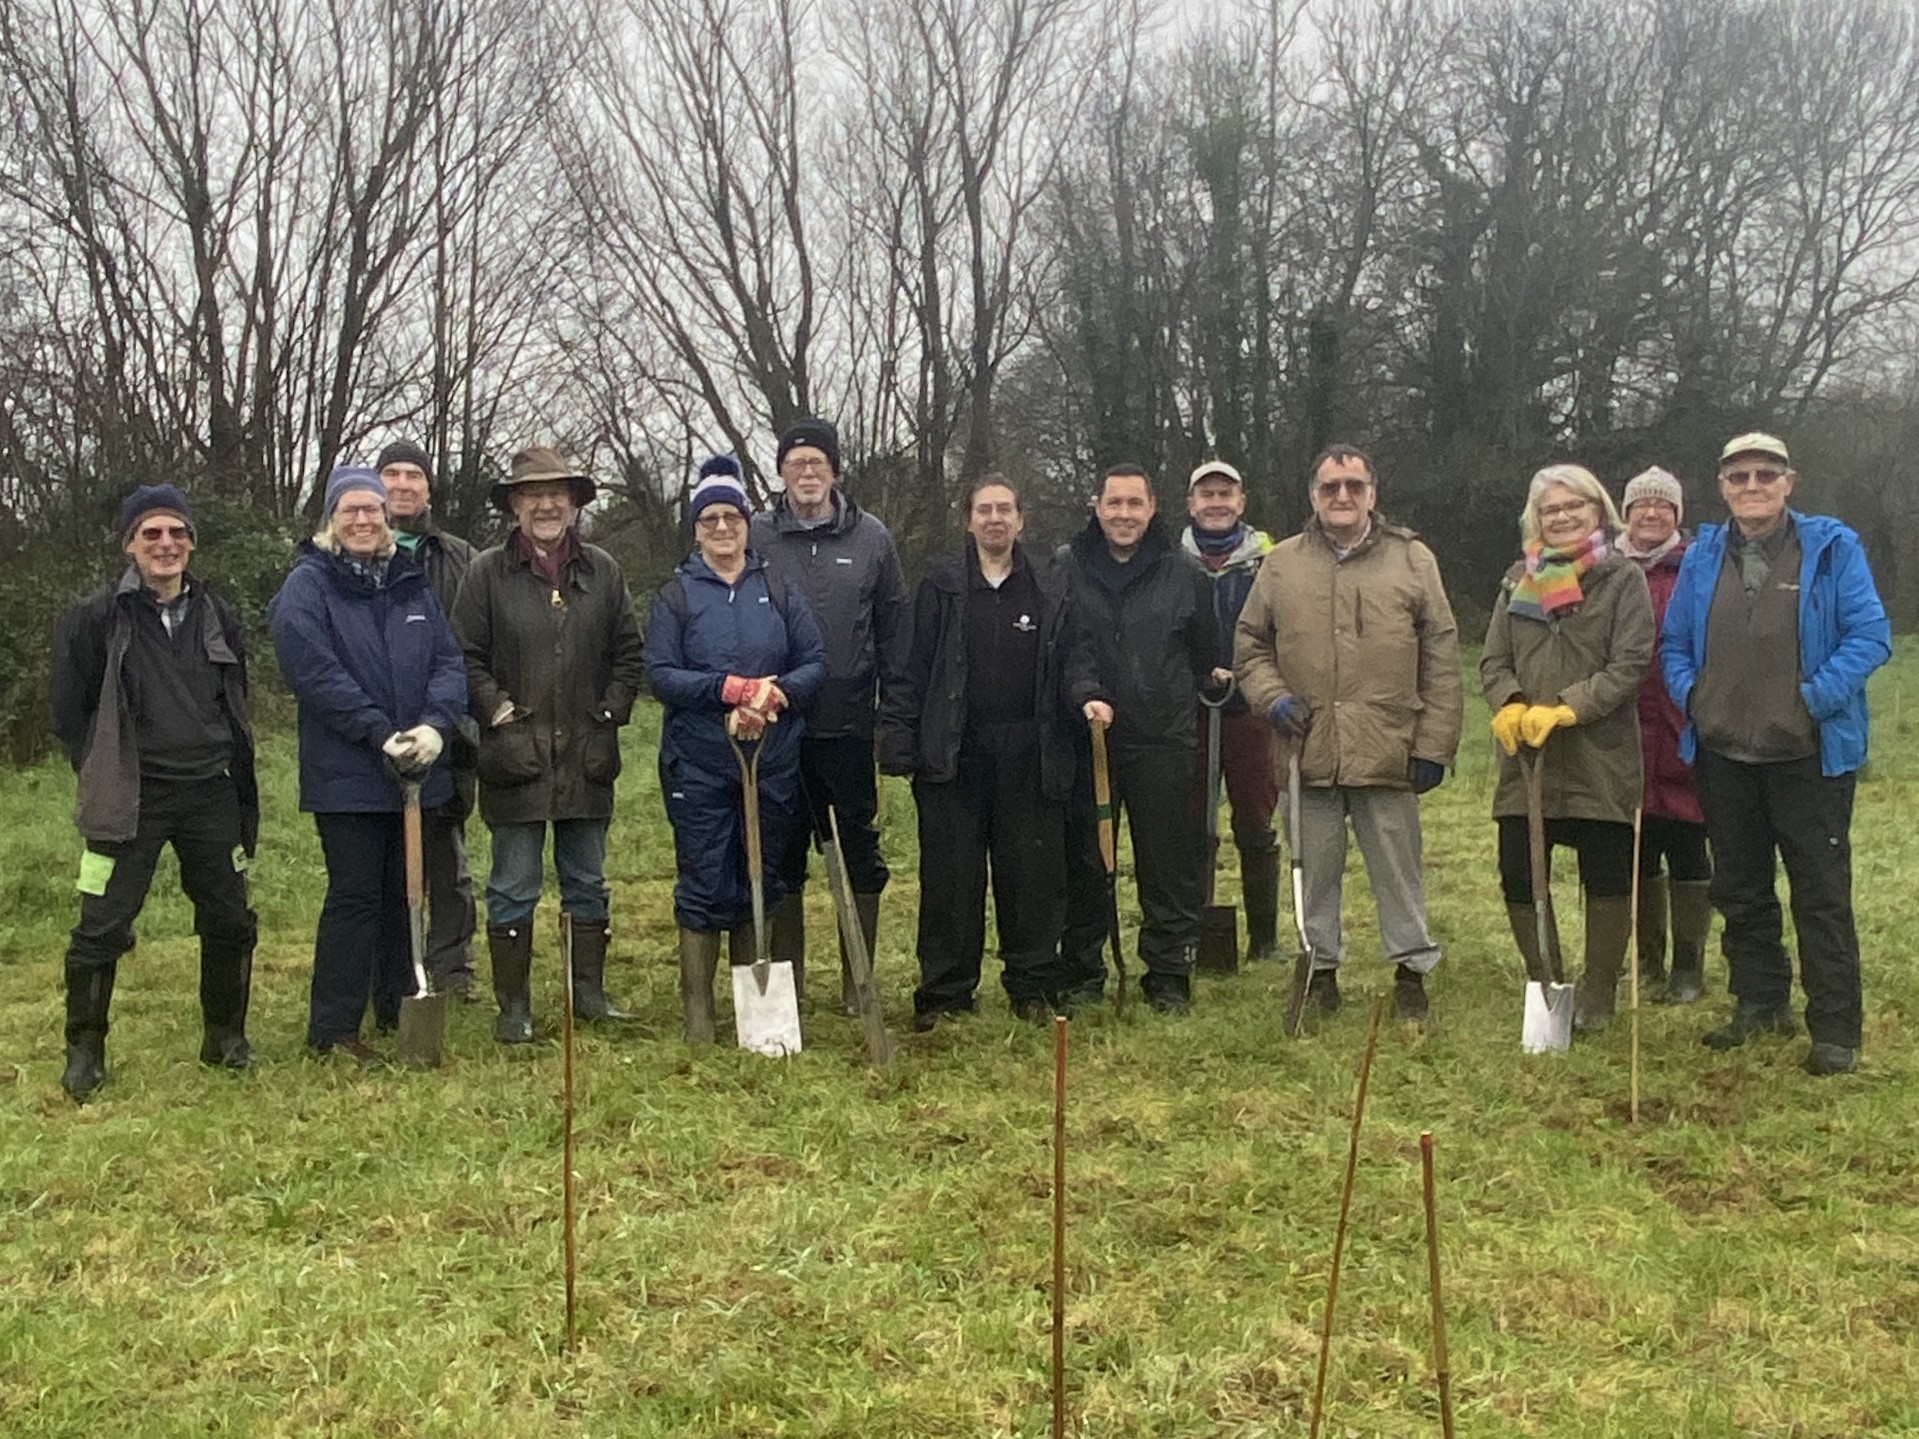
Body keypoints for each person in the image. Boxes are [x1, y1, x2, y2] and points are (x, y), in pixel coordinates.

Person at [1662, 433, 1890, 1076]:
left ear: (1789, 482)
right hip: (1724, 754)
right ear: (1723, 486)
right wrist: (1695, 698)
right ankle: (1760, 1003)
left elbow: (1870, 636)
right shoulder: (1704, 555)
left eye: (1766, 474)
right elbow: (1674, 644)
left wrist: (1813, 699)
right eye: (1739, 476)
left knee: (1820, 894)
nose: (1752, 485)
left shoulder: (1831, 548)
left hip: (1808, 757)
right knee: (1740, 889)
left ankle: (1835, 1031)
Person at [47, 485, 261, 1101]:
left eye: (176, 533)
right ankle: (84, 1051)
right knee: (101, 924)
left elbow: (236, 699)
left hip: (210, 794)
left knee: (229, 916)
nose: (165, 545)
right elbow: (69, 708)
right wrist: (96, 766)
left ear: (191, 542)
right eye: (151, 535)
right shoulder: (95, 616)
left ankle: (225, 1038)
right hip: (129, 797)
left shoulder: (219, 612)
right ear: (129, 545)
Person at [1234, 445, 1462, 1021]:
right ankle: (1320, 970)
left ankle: (1412, 972)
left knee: (1399, 869)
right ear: (1313, 495)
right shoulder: (1281, 563)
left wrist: (1434, 744)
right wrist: (1270, 696)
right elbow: (1250, 644)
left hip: (1389, 745)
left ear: (1372, 494)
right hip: (1305, 747)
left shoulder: (1413, 561)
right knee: (1313, 868)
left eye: (1354, 487)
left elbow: (1441, 653)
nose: (1343, 497)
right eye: (1331, 487)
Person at [877, 477, 1110, 1028]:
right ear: (968, 520)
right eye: (985, 510)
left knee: (1031, 877)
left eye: (1005, 509)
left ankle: (1031, 987)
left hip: (1031, 754)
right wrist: (899, 742)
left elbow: (1076, 659)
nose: (995, 519)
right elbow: (910, 669)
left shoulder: (1051, 586)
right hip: (952, 754)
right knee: (951, 881)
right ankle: (945, 994)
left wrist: (1090, 698)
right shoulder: (939, 586)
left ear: (1021, 520)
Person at [269, 466, 467, 1061]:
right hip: (347, 775)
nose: (363, 520)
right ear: (331, 519)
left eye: (372, 510)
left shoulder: (408, 583)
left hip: (415, 769)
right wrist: (379, 733)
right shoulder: (308, 586)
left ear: (388, 517)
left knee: (403, 890)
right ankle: (332, 1028)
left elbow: (448, 661)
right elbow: (315, 673)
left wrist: (436, 726)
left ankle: (397, 1002)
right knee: (355, 896)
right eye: (350, 510)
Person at [452, 446, 647, 1043]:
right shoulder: (485, 573)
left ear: (574, 502)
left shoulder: (603, 571)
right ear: (514, 504)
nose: (546, 504)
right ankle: (514, 1007)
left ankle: (587, 992)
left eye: (557, 492)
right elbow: (464, 657)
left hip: (588, 755)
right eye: (532, 494)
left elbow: (629, 652)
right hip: (515, 756)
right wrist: (498, 712)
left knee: (587, 878)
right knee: (513, 883)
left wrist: (610, 711)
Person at [647, 458, 827, 1043]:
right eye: (710, 519)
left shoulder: (777, 588)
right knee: (703, 879)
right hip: (699, 762)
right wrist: (723, 689)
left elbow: (815, 663)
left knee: (762, 877)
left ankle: (755, 1018)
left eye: (732, 517)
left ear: (748, 524)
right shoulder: (676, 596)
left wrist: (774, 694)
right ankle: (700, 1017)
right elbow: (660, 675)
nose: (722, 528)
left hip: (771, 759)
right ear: (696, 530)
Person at [1481, 464, 1653, 1033]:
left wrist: (1570, 707)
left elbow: (1630, 662)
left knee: (1605, 873)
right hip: (1528, 759)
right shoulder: (1515, 582)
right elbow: (1493, 659)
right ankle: (1547, 983)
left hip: (1598, 754)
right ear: (1536, 519)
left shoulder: (1621, 579)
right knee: (1520, 873)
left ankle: (1599, 992)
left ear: (1598, 510)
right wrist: (1508, 700)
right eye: (1550, 509)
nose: (1561, 517)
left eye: (1573, 506)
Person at [749, 417, 905, 1012]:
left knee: (857, 852)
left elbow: (894, 631)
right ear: (781, 472)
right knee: (782, 855)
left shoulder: (873, 538)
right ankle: (784, 988)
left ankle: (857, 983)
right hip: (777, 728)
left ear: (836, 470)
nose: (807, 473)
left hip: (849, 725)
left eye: (818, 462)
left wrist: (894, 717)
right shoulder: (757, 535)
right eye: (796, 463)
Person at [1057, 464, 1214, 1014]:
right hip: (1089, 741)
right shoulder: (1066, 569)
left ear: (1152, 509)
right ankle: (1081, 971)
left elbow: (1204, 656)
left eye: (1134, 504)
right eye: (1113, 504)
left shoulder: (1185, 575)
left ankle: (1168, 972)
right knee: (1086, 861)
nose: (1123, 515)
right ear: (1097, 508)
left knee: (1167, 862)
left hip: (1163, 740)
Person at [376, 440, 481, 999]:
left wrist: (452, 718)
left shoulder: (461, 557)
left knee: (448, 856)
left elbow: (471, 642)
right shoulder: (358, 550)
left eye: (412, 475)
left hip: (448, 728)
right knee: (382, 859)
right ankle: (393, 964)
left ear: (428, 488)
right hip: (376, 730)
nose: (401, 485)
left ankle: (452, 967)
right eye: (390, 474)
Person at [1617, 466, 1713, 1005]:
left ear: (1677, 515)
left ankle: (1689, 964)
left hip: (1682, 722)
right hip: (1625, 728)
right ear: (1626, 512)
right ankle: (1647, 957)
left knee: (1687, 842)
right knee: (1637, 846)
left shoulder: (1698, 567)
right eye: (1641, 505)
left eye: (1663, 506)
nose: (1651, 514)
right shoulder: (1606, 568)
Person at [1180, 460, 1283, 962]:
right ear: (1191, 505)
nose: (1216, 502)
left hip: (1252, 709)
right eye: (1207, 495)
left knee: (1256, 822)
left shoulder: (1269, 561)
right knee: (1194, 824)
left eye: (1226, 494)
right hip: (1189, 710)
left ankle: (1264, 939)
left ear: (1241, 503)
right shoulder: (1171, 561)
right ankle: (1193, 930)